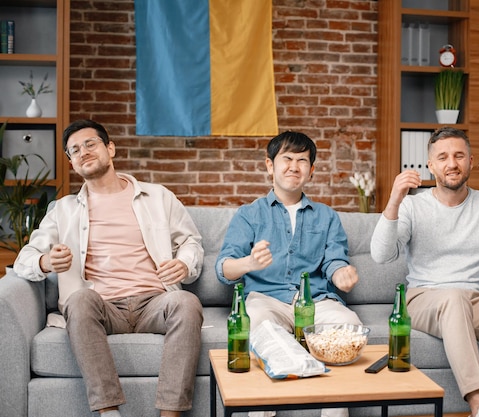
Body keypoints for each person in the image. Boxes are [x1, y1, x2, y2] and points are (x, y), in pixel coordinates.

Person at [13, 119, 204, 417]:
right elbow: (24, 259)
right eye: (74, 150)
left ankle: (171, 414)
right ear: (72, 162)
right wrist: (45, 261)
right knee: (78, 300)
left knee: (186, 302)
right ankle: (108, 412)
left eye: (90, 144)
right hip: (102, 306)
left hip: (155, 301)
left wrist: (184, 263)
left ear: (110, 148)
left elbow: (191, 241)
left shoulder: (158, 197)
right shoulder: (63, 210)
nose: (83, 152)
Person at [370, 127, 479, 417]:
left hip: (476, 299)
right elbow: (381, 254)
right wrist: (395, 200)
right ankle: (478, 401)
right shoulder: (413, 206)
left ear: (470, 162)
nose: (452, 163)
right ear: (431, 165)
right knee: (452, 297)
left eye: (459, 155)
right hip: (424, 298)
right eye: (443, 157)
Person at [216, 131, 361, 417]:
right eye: (287, 159)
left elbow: (334, 260)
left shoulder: (327, 216)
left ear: (312, 170)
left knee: (349, 325)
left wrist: (341, 272)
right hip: (265, 301)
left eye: (302, 161)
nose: (294, 166)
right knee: (256, 322)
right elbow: (223, 267)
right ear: (270, 165)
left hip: (315, 301)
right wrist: (248, 264)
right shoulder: (249, 214)